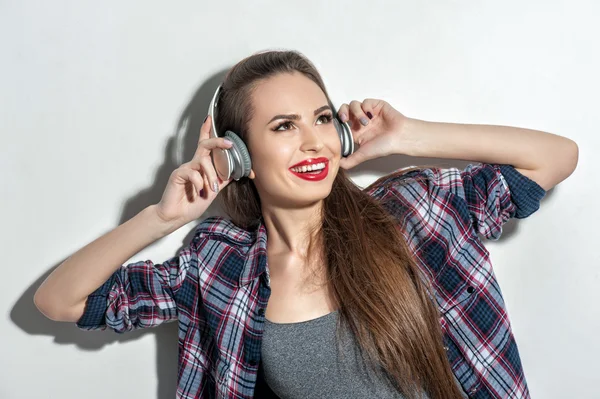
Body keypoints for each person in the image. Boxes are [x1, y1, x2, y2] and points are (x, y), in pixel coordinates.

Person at [34, 49, 578, 399]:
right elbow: (60, 302)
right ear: (239, 156)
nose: (313, 140)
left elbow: (555, 157)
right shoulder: (220, 265)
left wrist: (408, 134)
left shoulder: (411, 210)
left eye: (321, 119)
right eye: (283, 126)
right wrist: (160, 217)